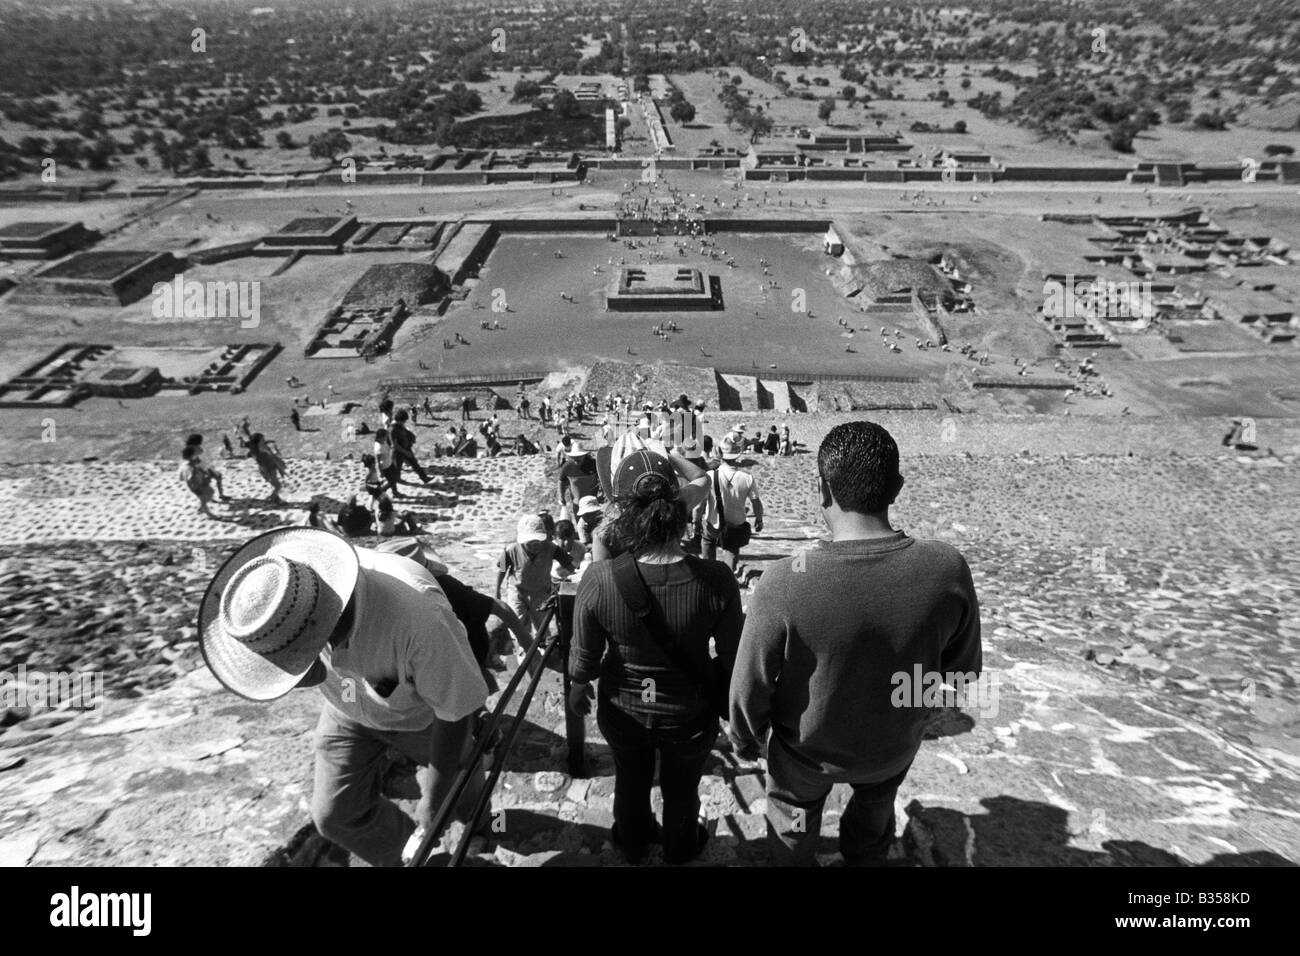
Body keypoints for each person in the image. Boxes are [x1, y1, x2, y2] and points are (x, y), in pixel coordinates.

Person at [729, 421, 983, 866]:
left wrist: (747, 740)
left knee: (793, 824)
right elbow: (963, 674)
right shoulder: (947, 570)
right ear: (898, 487)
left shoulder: (784, 582)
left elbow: (749, 689)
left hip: (805, 757)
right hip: (893, 748)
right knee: (873, 819)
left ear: (823, 490)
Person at [197, 527, 490, 868]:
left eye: (291, 663)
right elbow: (324, 676)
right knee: (334, 815)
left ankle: (484, 825)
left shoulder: (419, 621)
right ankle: (416, 857)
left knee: (463, 787)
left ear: (321, 628)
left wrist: (433, 800)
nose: (291, 678)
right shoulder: (296, 604)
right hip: (347, 708)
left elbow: (455, 714)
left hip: (421, 718)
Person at [569, 449, 743, 865]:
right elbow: (734, 655)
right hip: (689, 712)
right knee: (682, 789)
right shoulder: (716, 580)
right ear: (682, 513)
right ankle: (680, 849)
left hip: (624, 707)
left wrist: (578, 685)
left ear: (622, 514)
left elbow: (585, 655)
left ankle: (632, 843)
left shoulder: (598, 580)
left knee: (630, 779)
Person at [495, 515, 575, 648]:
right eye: (530, 542)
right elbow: (501, 570)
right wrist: (497, 590)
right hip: (517, 592)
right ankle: (523, 651)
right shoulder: (510, 550)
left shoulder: (551, 548)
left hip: (541, 592)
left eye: (538, 541)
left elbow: (570, 564)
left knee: (541, 624)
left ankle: (542, 647)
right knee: (518, 623)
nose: (535, 546)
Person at [703, 436, 763, 573]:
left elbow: (701, 502)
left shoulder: (711, 475)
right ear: (736, 456)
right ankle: (729, 577)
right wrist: (759, 519)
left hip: (713, 523)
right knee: (732, 548)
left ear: (720, 455)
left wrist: (696, 519)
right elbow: (756, 502)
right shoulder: (747, 478)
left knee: (707, 540)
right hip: (735, 524)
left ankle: (707, 571)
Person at [558, 441, 601, 517]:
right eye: (574, 457)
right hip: (577, 504)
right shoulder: (567, 467)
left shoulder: (594, 464)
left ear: (584, 455)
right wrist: (561, 497)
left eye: (579, 457)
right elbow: (561, 481)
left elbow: (602, 479)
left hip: (593, 504)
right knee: (580, 526)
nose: (576, 459)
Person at [249, 432, 287, 505]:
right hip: (268, 470)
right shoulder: (260, 453)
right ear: (258, 442)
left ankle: (277, 500)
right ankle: (271, 498)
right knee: (278, 486)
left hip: (271, 468)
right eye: (262, 440)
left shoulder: (262, 448)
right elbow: (265, 463)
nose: (264, 441)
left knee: (276, 485)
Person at [180, 445, 218, 516]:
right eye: (195, 454)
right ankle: (208, 513)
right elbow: (189, 478)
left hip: (201, 482)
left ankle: (202, 507)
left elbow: (200, 468)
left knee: (211, 493)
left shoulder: (194, 461)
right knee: (203, 498)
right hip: (196, 486)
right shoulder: (188, 466)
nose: (196, 455)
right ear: (191, 456)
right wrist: (197, 485)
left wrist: (205, 474)